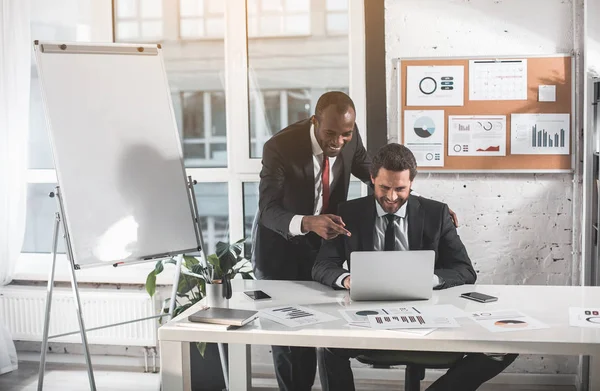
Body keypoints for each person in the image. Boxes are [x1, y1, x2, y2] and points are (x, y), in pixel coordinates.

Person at [252, 91, 458, 390]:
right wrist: (308, 222)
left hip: (322, 249)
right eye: (330, 134)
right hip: (281, 251)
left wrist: (423, 207)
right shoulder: (280, 147)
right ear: (315, 121)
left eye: (345, 134)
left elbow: (376, 176)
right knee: (294, 345)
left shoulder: (349, 135)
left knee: (324, 334)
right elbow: (268, 210)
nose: (337, 142)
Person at [311, 143, 517, 391]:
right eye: (384, 187)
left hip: (426, 317)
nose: (391, 197)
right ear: (372, 178)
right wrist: (346, 279)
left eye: (400, 189)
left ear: (412, 183)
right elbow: (322, 265)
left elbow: (464, 270)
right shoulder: (349, 213)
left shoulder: (436, 213)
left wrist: (427, 279)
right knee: (328, 345)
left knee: (506, 347)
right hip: (366, 316)